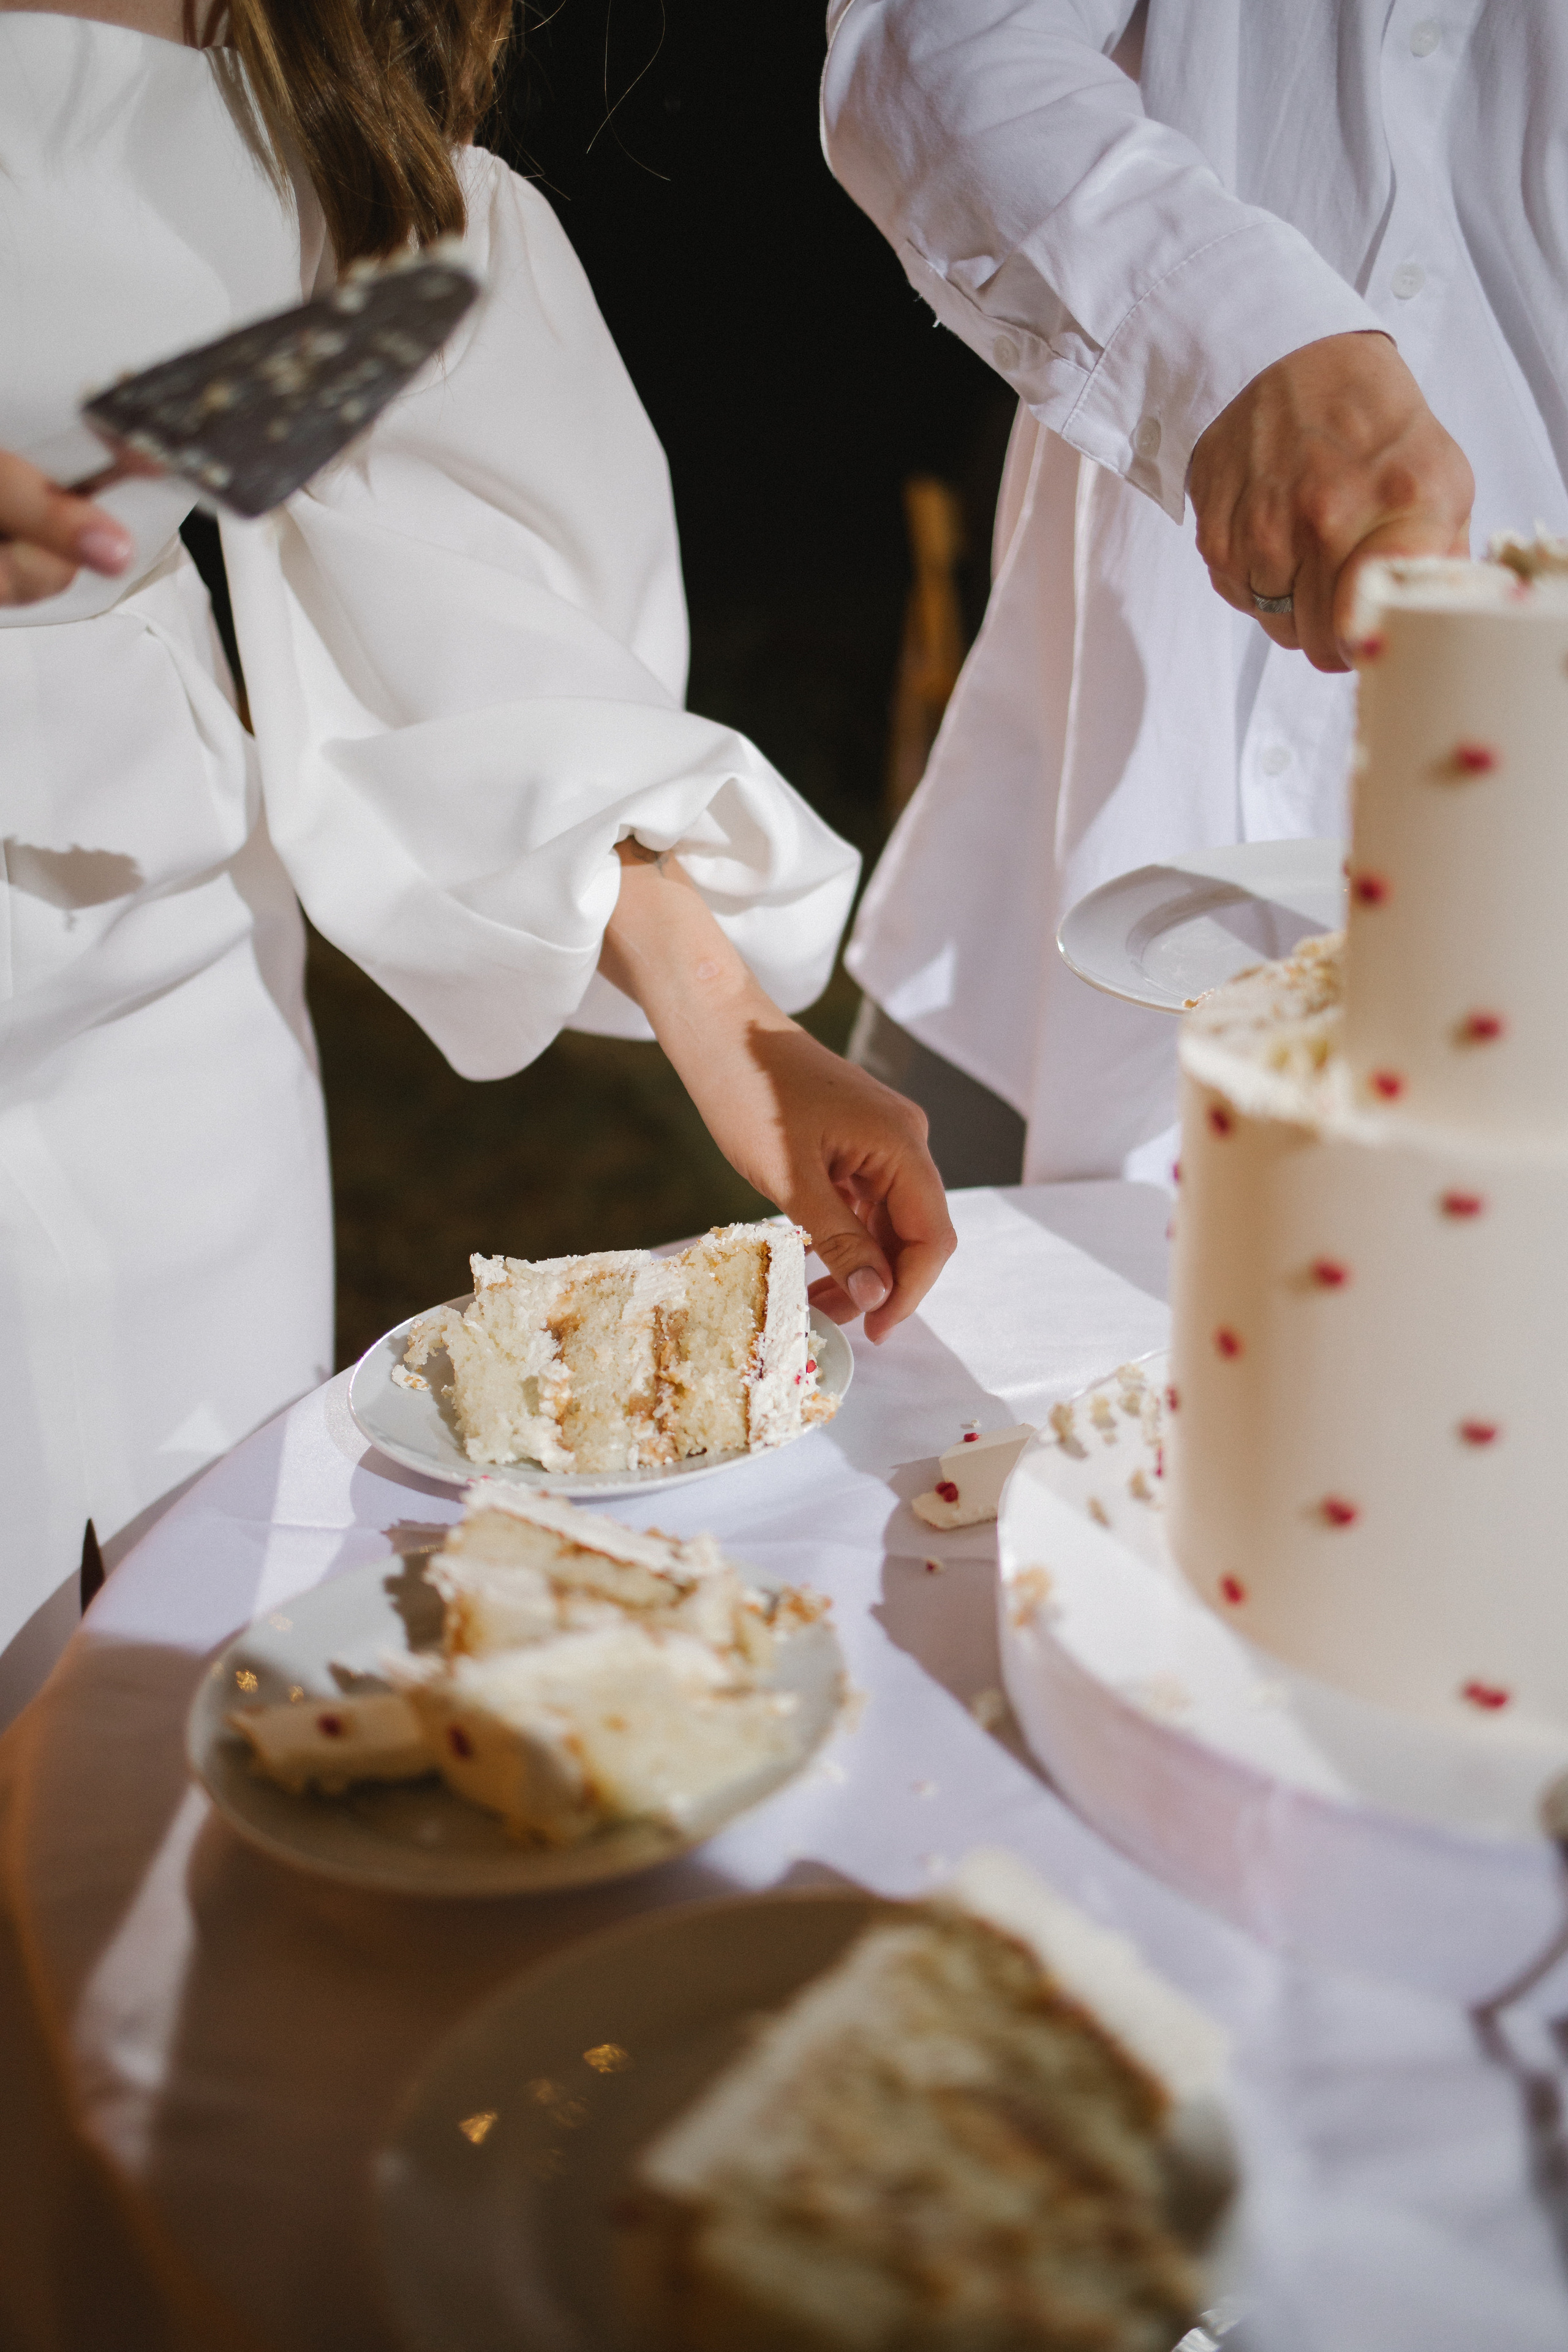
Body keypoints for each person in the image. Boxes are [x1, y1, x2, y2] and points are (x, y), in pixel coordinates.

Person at [0, 0, 954, 1709]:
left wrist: (736, 1022)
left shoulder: (301, 76)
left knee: (171, 1708)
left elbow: (452, 604)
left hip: (170, 1046)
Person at [822, 0, 1562, 1186]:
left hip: (1517, 998)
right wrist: (1234, 348)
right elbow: (928, 40)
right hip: (1052, 896)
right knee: (866, 1350)